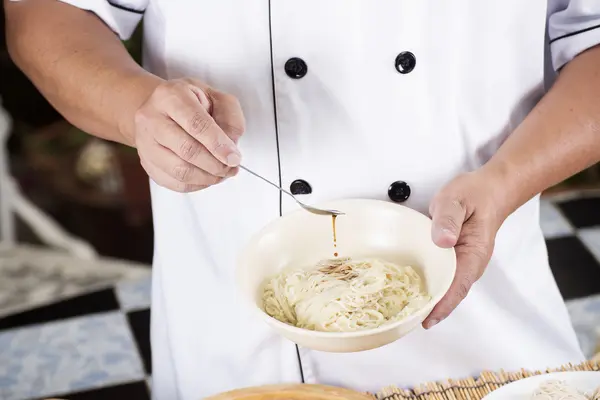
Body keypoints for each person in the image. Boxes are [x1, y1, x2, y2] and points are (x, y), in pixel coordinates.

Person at [6, 0, 600, 398]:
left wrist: (508, 181)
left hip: (486, 318)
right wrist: (134, 106)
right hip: (244, 337)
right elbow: (46, 15)